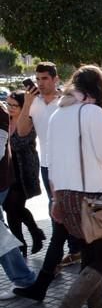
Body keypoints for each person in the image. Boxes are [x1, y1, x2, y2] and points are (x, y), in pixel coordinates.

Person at [45, 65, 102, 308]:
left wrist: (56, 200)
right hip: (92, 197)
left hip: (65, 196)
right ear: (96, 88)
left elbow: (51, 161)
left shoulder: (58, 113)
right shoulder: (90, 111)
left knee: (91, 256)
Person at [16, 62, 82, 267]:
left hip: (69, 162)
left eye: (45, 78)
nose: (40, 83)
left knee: (70, 205)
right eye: (37, 79)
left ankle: (75, 249)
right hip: (47, 164)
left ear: (56, 79)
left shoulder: (66, 101)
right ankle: (66, 250)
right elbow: (22, 132)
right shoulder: (33, 102)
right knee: (54, 206)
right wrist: (27, 103)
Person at [3, 91, 45, 257]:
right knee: (10, 209)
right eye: (8, 104)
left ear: (23, 107)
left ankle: (26, 242)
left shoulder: (28, 122)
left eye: (15, 105)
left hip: (23, 172)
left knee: (14, 208)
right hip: (6, 172)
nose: (10, 108)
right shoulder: (4, 120)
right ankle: (31, 236)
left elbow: (17, 143)